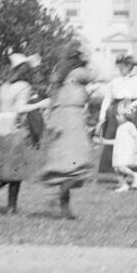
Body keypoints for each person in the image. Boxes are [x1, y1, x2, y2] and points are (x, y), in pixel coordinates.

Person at [0, 53, 46, 214]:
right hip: (15, 129)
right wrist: (41, 104)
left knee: (6, 169)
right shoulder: (24, 86)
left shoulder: (3, 86)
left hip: (2, 130)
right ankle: (10, 206)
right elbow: (19, 109)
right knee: (15, 172)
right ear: (23, 69)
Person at [38, 55, 96, 218]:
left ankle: (65, 209)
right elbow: (97, 75)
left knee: (64, 167)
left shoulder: (59, 78)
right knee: (78, 164)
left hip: (59, 119)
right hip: (73, 119)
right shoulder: (78, 73)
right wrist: (89, 59)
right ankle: (60, 200)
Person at [99, 54, 137, 181]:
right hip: (116, 111)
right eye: (120, 65)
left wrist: (133, 104)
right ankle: (119, 173)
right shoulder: (114, 82)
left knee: (131, 140)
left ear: (131, 67)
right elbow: (107, 99)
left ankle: (134, 171)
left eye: (125, 65)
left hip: (132, 111)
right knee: (114, 140)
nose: (122, 68)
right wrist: (102, 116)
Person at [108, 100, 137, 192]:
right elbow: (118, 141)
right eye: (117, 115)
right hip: (119, 151)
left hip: (127, 151)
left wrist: (136, 150)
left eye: (119, 116)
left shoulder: (129, 126)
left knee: (121, 167)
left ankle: (134, 175)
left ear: (126, 117)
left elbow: (136, 139)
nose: (117, 117)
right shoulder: (120, 127)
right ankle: (124, 185)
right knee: (117, 169)